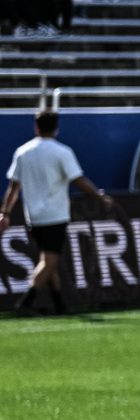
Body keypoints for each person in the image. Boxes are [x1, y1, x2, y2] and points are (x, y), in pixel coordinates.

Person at [3, 109, 113, 316]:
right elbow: (78, 179)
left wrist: (5, 212)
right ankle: (25, 303)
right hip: (55, 215)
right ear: (56, 128)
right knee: (49, 261)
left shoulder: (23, 152)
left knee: (47, 259)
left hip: (33, 216)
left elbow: (13, 187)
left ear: (36, 126)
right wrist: (99, 197)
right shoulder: (62, 152)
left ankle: (59, 304)